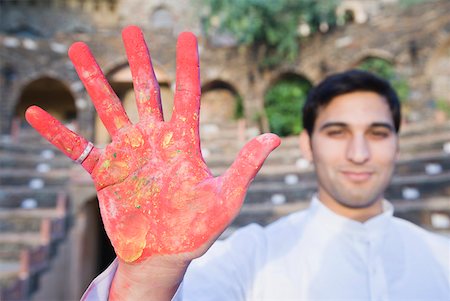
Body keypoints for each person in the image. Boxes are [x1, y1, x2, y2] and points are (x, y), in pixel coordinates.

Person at [25, 26, 449, 301]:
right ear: (306, 143)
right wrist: (149, 274)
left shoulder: (443, 259)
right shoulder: (249, 257)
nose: (359, 153)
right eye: (336, 132)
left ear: (398, 141)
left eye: (377, 133)